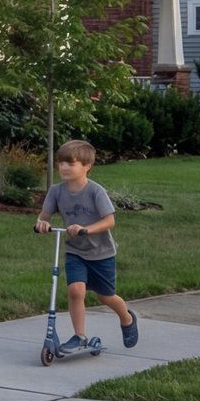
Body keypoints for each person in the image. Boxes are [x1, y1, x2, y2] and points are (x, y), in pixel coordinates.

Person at [35, 139, 137, 349]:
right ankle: (79, 336)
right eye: (61, 163)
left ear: (86, 167)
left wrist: (86, 229)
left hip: (102, 253)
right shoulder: (56, 191)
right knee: (75, 291)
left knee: (106, 296)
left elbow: (110, 220)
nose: (63, 167)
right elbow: (44, 215)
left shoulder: (95, 191)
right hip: (75, 251)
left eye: (70, 164)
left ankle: (127, 318)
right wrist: (42, 223)